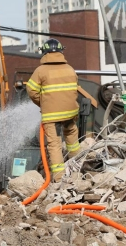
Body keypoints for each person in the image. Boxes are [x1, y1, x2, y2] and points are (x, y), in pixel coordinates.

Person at [26, 38, 80, 182]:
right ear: (61, 51)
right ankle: (78, 170)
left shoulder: (41, 71)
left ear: (44, 52)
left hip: (52, 116)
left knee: (55, 145)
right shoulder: (70, 69)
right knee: (72, 140)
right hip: (70, 113)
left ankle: (59, 178)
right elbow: (74, 89)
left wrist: (43, 104)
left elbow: (31, 90)